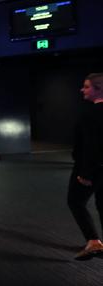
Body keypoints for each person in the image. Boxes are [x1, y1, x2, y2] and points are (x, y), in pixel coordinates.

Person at [68, 73, 103, 260]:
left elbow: (90, 146)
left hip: (91, 168)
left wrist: (85, 172)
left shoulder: (90, 113)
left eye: (86, 86)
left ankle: (93, 242)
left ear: (99, 89)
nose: (82, 89)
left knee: (75, 201)